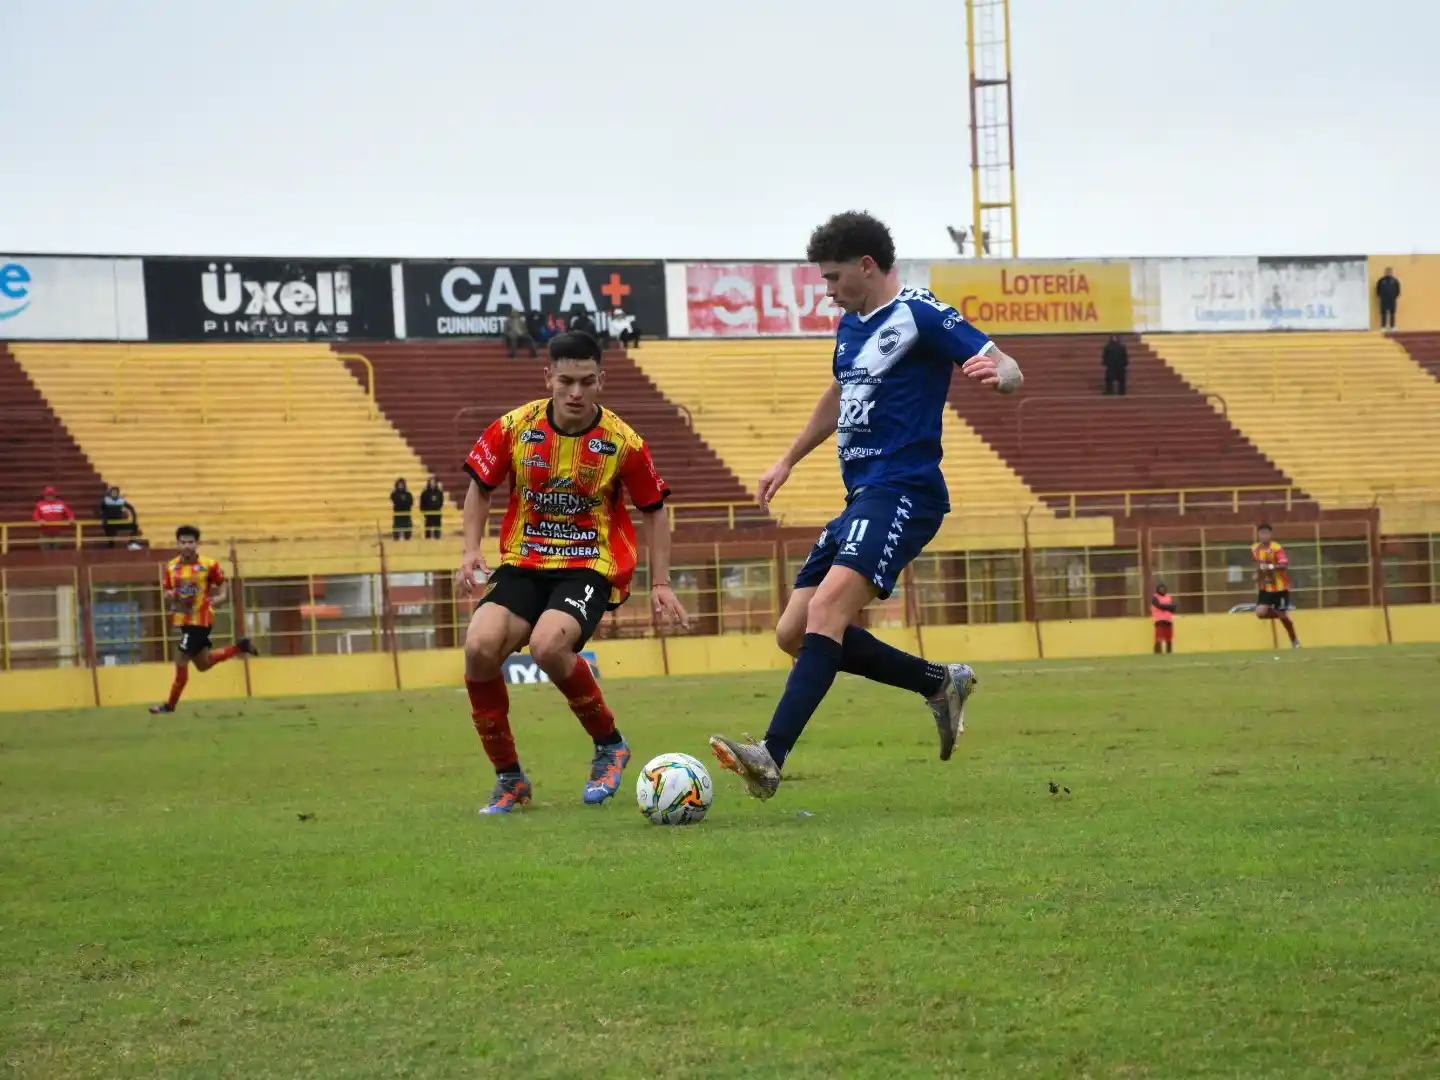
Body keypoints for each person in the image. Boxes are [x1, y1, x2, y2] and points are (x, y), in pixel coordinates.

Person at [708, 211, 1024, 801]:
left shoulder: (921, 312)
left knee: (827, 611)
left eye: (832, 278)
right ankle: (938, 682)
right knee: (794, 631)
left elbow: (1007, 365)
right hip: (862, 495)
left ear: (867, 266)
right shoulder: (851, 327)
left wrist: (999, 375)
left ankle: (769, 757)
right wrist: (788, 459)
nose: (827, 291)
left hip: (904, 489)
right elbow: (839, 392)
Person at [457, 330, 690, 814]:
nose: (576, 393)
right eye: (566, 381)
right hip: (524, 561)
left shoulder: (623, 442)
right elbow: (480, 486)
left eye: (587, 381)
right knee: (478, 648)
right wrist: (470, 550)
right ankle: (509, 778)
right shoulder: (516, 427)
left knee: (547, 646)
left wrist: (661, 583)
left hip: (587, 564)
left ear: (601, 380)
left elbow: (655, 508)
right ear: (549, 378)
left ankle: (610, 744)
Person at [149, 525, 257, 713]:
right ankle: (240, 647)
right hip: (183, 620)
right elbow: (167, 590)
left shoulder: (208, 565)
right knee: (203, 664)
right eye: (183, 542)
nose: (187, 546)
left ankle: (169, 706)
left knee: (181, 659)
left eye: (191, 542)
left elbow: (223, 583)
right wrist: (169, 596)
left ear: (197, 544)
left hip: (200, 620)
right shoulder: (172, 566)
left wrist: (221, 597)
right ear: (178, 544)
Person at [1253, 522, 1301, 648]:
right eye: (1261, 533)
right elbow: (1259, 565)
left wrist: (1270, 566)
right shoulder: (1255, 549)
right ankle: (1280, 613)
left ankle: (1294, 640)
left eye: (1266, 533)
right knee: (1260, 613)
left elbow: (1284, 565)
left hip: (1280, 588)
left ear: (1270, 534)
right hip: (1266, 588)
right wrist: (1258, 575)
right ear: (1258, 535)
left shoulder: (1276, 548)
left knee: (1283, 617)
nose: (1263, 536)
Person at [1152, 582, 1176, 654]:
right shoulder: (1155, 597)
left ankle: (1169, 653)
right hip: (1159, 620)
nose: (1162, 590)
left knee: (1169, 639)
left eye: (1163, 589)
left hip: (1168, 620)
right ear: (1158, 590)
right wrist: (1168, 607)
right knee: (1158, 639)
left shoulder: (1168, 597)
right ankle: (1158, 653)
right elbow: (1159, 606)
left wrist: (1167, 607)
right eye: (1160, 589)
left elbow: (1174, 607)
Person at [1376, 267, 1401, 331]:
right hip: (1384, 299)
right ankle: (1383, 327)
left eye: (1389, 272)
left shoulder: (1395, 281)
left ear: (1391, 272)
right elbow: (1377, 290)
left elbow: (1398, 290)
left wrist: (1394, 296)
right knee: (1383, 313)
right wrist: (1381, 296)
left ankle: (1393, 327)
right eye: (1387, 271)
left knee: (1392, 313)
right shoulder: (1381, 281)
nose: (1388, 273)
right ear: (1385, 272)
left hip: (1392, 299)